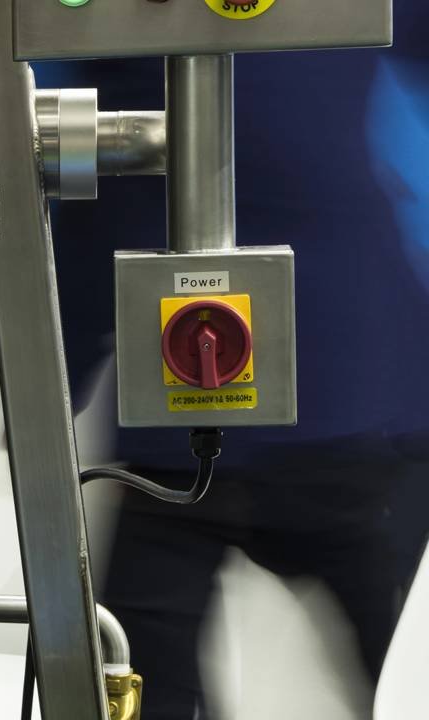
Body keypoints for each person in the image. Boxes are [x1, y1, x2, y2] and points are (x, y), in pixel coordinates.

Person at [46, 4, 429, 717]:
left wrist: (55, 376)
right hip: (340, 394)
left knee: (139, 670)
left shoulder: (128, 32)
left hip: (270, 407)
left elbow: (98, 203)